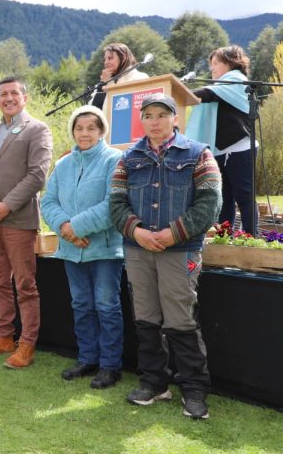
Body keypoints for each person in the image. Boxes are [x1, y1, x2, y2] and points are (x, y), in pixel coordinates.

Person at [110, 93, 221, 420]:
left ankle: (195, 390)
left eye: (162, 114)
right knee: (145, 317)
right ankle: (154, 383)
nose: (154, 121)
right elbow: (116, 205)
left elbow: (210, 203)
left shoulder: (199, 154)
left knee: (180, 319)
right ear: (141, 120)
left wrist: (174, 232)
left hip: (181, 249)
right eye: (148, 115)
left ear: (175, 118)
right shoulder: (128, 158)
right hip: (137, 249)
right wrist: (138, 231)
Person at [0, 75, 53, 368]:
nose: (8, 98)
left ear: (24, 98)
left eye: (14, 93)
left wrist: (6, 205)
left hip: (19, 219)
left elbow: (37, 176)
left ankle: (27, 344)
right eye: (3, 94)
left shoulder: (37, 129)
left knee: (25, 285)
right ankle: (3, 337)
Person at [40, 105, 125, 389]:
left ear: (102, 131)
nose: (85, 133)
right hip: (70, 251)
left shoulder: (115, 160)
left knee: (106, 306)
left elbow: (114, 205)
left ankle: (110, 365)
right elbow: (48, 202)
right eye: (79, 128)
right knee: (81, 305)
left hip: (104, 250)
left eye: (91, 127)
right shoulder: (63, 164)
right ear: (72, 131)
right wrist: (66, 228)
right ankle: (87, 358)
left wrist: (75, 228)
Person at [186, 45, 257, 235]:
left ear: (231, 62)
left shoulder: (236, 81)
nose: (212, 68)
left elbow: (207, 94)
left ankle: (251, 237)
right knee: (224, 198)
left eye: (216, 63)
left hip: (239, 148)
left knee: (244, 195)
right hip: (220, 150)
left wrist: (183, 94)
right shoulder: (221, 86)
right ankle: (224, 238)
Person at [89, 42, 149, 110]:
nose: (106, 62)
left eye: (110, 58)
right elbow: (94, 110)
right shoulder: (103, 82)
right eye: (105, 59)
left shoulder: (139, 78)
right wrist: (103, 84)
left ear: (123, 58)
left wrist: (108, 84)